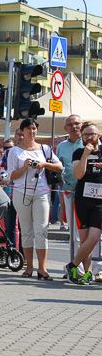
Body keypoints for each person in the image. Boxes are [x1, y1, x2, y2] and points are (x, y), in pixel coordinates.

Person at [5, 118, 63, 279]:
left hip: (41, 192)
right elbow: (10, 176)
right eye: (28, 129)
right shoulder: (14, 151)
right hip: (21, 192)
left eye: (34, 128)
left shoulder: (45, 149)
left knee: (42, 230)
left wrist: (43, 164)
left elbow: (59, 167)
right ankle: (29, 267)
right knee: (26, 230)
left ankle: (42, 268)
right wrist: (25, 167)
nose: (32, 131)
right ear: (22, 132)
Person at [68, 122, 102, 285]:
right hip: (82, 200)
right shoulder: (79, 152)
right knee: (84, 240)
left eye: (92, 134)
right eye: (86, 135)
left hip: (100, 202)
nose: (89, 137)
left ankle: (72, 265)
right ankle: (86, 273)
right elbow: (79, 175)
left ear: (98, 136)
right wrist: (85, 156)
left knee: (94, 237)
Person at [57, 114, 83, 235]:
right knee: (73, 229)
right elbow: (58, 166)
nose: (74, 126)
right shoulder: (61, 146)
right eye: (70, 124)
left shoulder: (90, 142)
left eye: (77, 123)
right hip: (69, 190)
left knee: (88, 226)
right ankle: (76, 253)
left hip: (88, 190)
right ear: (65, 128)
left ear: (81, 125)